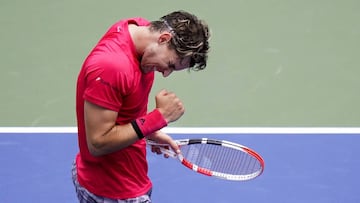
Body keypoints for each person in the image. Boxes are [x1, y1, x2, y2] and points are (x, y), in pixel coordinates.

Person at [72, 10, 210, 203]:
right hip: (114, 191)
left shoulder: (137, 30)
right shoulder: (111, 66)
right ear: (163, 38)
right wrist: (158, 118)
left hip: (122, 179)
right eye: (170, 64)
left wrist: (150, 132)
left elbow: (124, 109)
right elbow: (97, 143)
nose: (166, 73)